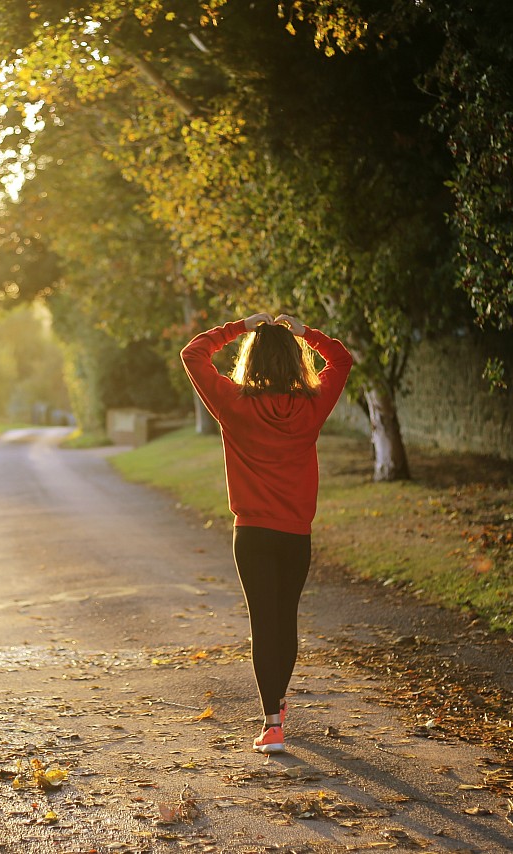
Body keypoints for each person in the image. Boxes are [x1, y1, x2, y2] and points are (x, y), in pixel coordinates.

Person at [180, 312, 353, 754]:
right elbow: (342, 359)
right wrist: (305, 333)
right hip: (295, 534)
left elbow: (193, 354)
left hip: (252, 534)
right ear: (296, 362)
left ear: (250, 360)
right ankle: (276, 705)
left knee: (263, 623)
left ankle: (272, 723)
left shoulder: (234, 403)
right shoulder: (312, 405)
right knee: (285, 619)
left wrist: (240, 326)